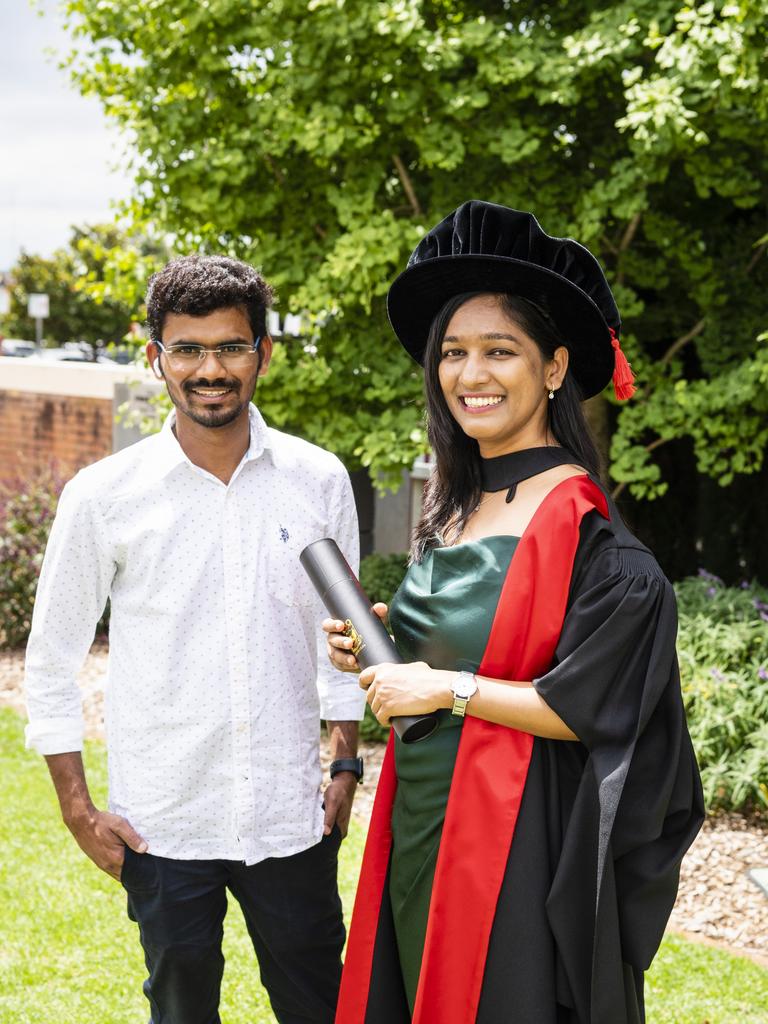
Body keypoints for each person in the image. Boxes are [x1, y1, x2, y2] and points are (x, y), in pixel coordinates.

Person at [325, 202, 704, 1024]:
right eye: (454, 353)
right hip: (421, 822)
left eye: (501, 351)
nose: (472, 374)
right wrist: (380, 655)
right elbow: (445, 665)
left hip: (517, 844)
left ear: (556, 367)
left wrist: (445, 687)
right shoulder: (455, 507)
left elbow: (590, 708)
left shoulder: (590, 536)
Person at [24, 254, 366, 1024]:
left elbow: (338, 639)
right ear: (156, 358)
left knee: (323, 1006)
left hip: (290, 816)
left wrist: (345, 759)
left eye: (232, 347)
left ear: (264, 354)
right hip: (164, 822)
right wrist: (78, 809)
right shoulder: (103, 497)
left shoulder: (318, 480)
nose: (211, 368)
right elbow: (50, 661)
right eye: (188, 349)